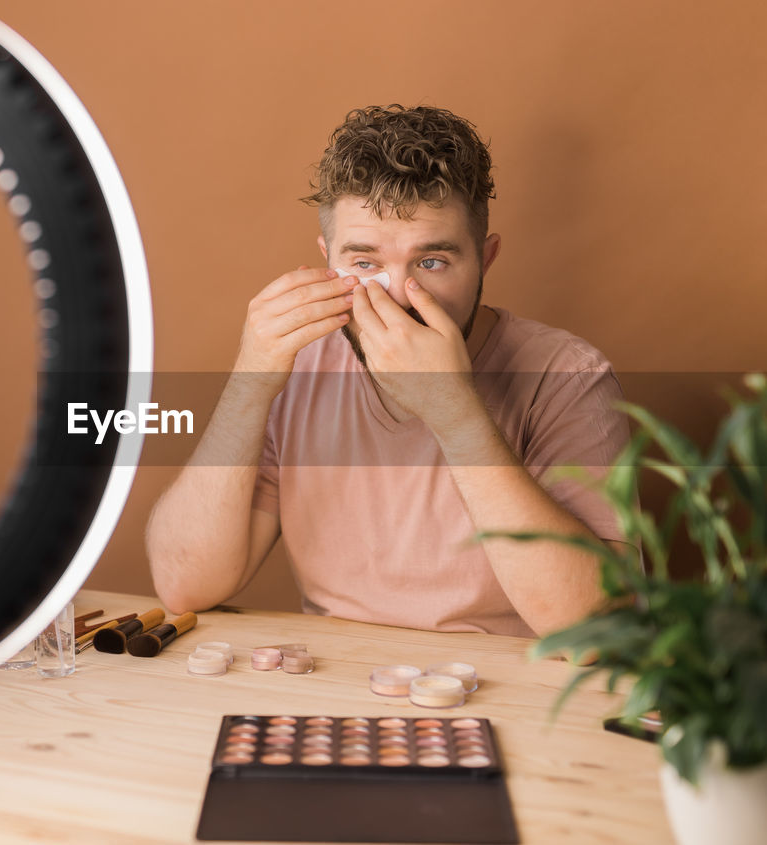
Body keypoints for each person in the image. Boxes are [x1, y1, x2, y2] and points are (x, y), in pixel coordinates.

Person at [146, 105, 629, 637]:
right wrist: (250, 384)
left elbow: (594, 632)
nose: (397, 296)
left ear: (485, 259)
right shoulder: (300, 366)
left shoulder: (569, 377)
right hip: (340, 687)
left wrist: (456, 414)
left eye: (431, 262)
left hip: (507, 695)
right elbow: (185, 585)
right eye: (366, 264)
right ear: (329, 259)